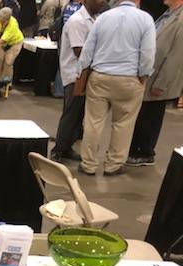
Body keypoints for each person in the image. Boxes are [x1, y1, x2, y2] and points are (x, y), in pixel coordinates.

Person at [76, 0, 155, 176]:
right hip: (129, 78)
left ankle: (88, 164)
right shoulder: (145, 19)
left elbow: (88, 49)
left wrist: (81, 73)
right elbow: (148, 53)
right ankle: (113, 165)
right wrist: (143, 75)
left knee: (93, 122)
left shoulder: (103, 18)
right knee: (123, 124)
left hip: (100, 76)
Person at [127, 0, 183, 166]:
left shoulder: (180, 19)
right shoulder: (167, 15)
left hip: (160, 79)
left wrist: (162, 83)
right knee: (143, 115)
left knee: (151, 116)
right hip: (150, 75)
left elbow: (176, 57)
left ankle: (144, 152)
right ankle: (135, 148)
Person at [52, 0, 104, 161]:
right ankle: (58, 150)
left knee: (78, 115)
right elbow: (78, 50)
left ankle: (67, 147)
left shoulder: (93, 19)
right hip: (75, 75)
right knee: (71, 114)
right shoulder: (77, 21)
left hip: (84, 74)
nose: (102, 3)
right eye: (98, 0)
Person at [0, 7, 24, 87]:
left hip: (15, 43)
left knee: (8, 62)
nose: (1, 23)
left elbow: (1, 40)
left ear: (8, 19)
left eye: (3, 21)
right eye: (1, 21)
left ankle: (7, 83)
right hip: (4, 43)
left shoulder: (13, 25)